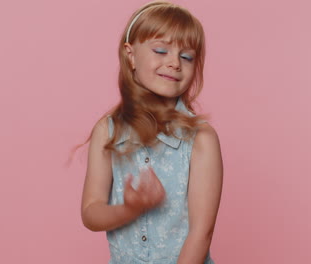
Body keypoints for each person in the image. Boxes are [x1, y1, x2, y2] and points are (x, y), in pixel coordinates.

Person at [80, 1, 223, 263]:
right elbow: (91, 213)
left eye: (187, 56)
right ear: (130, 55)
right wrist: (129, 208)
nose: (174, 63)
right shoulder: (108, 130)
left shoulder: (202, 139)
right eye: (161, 50)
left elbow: (201, 232)